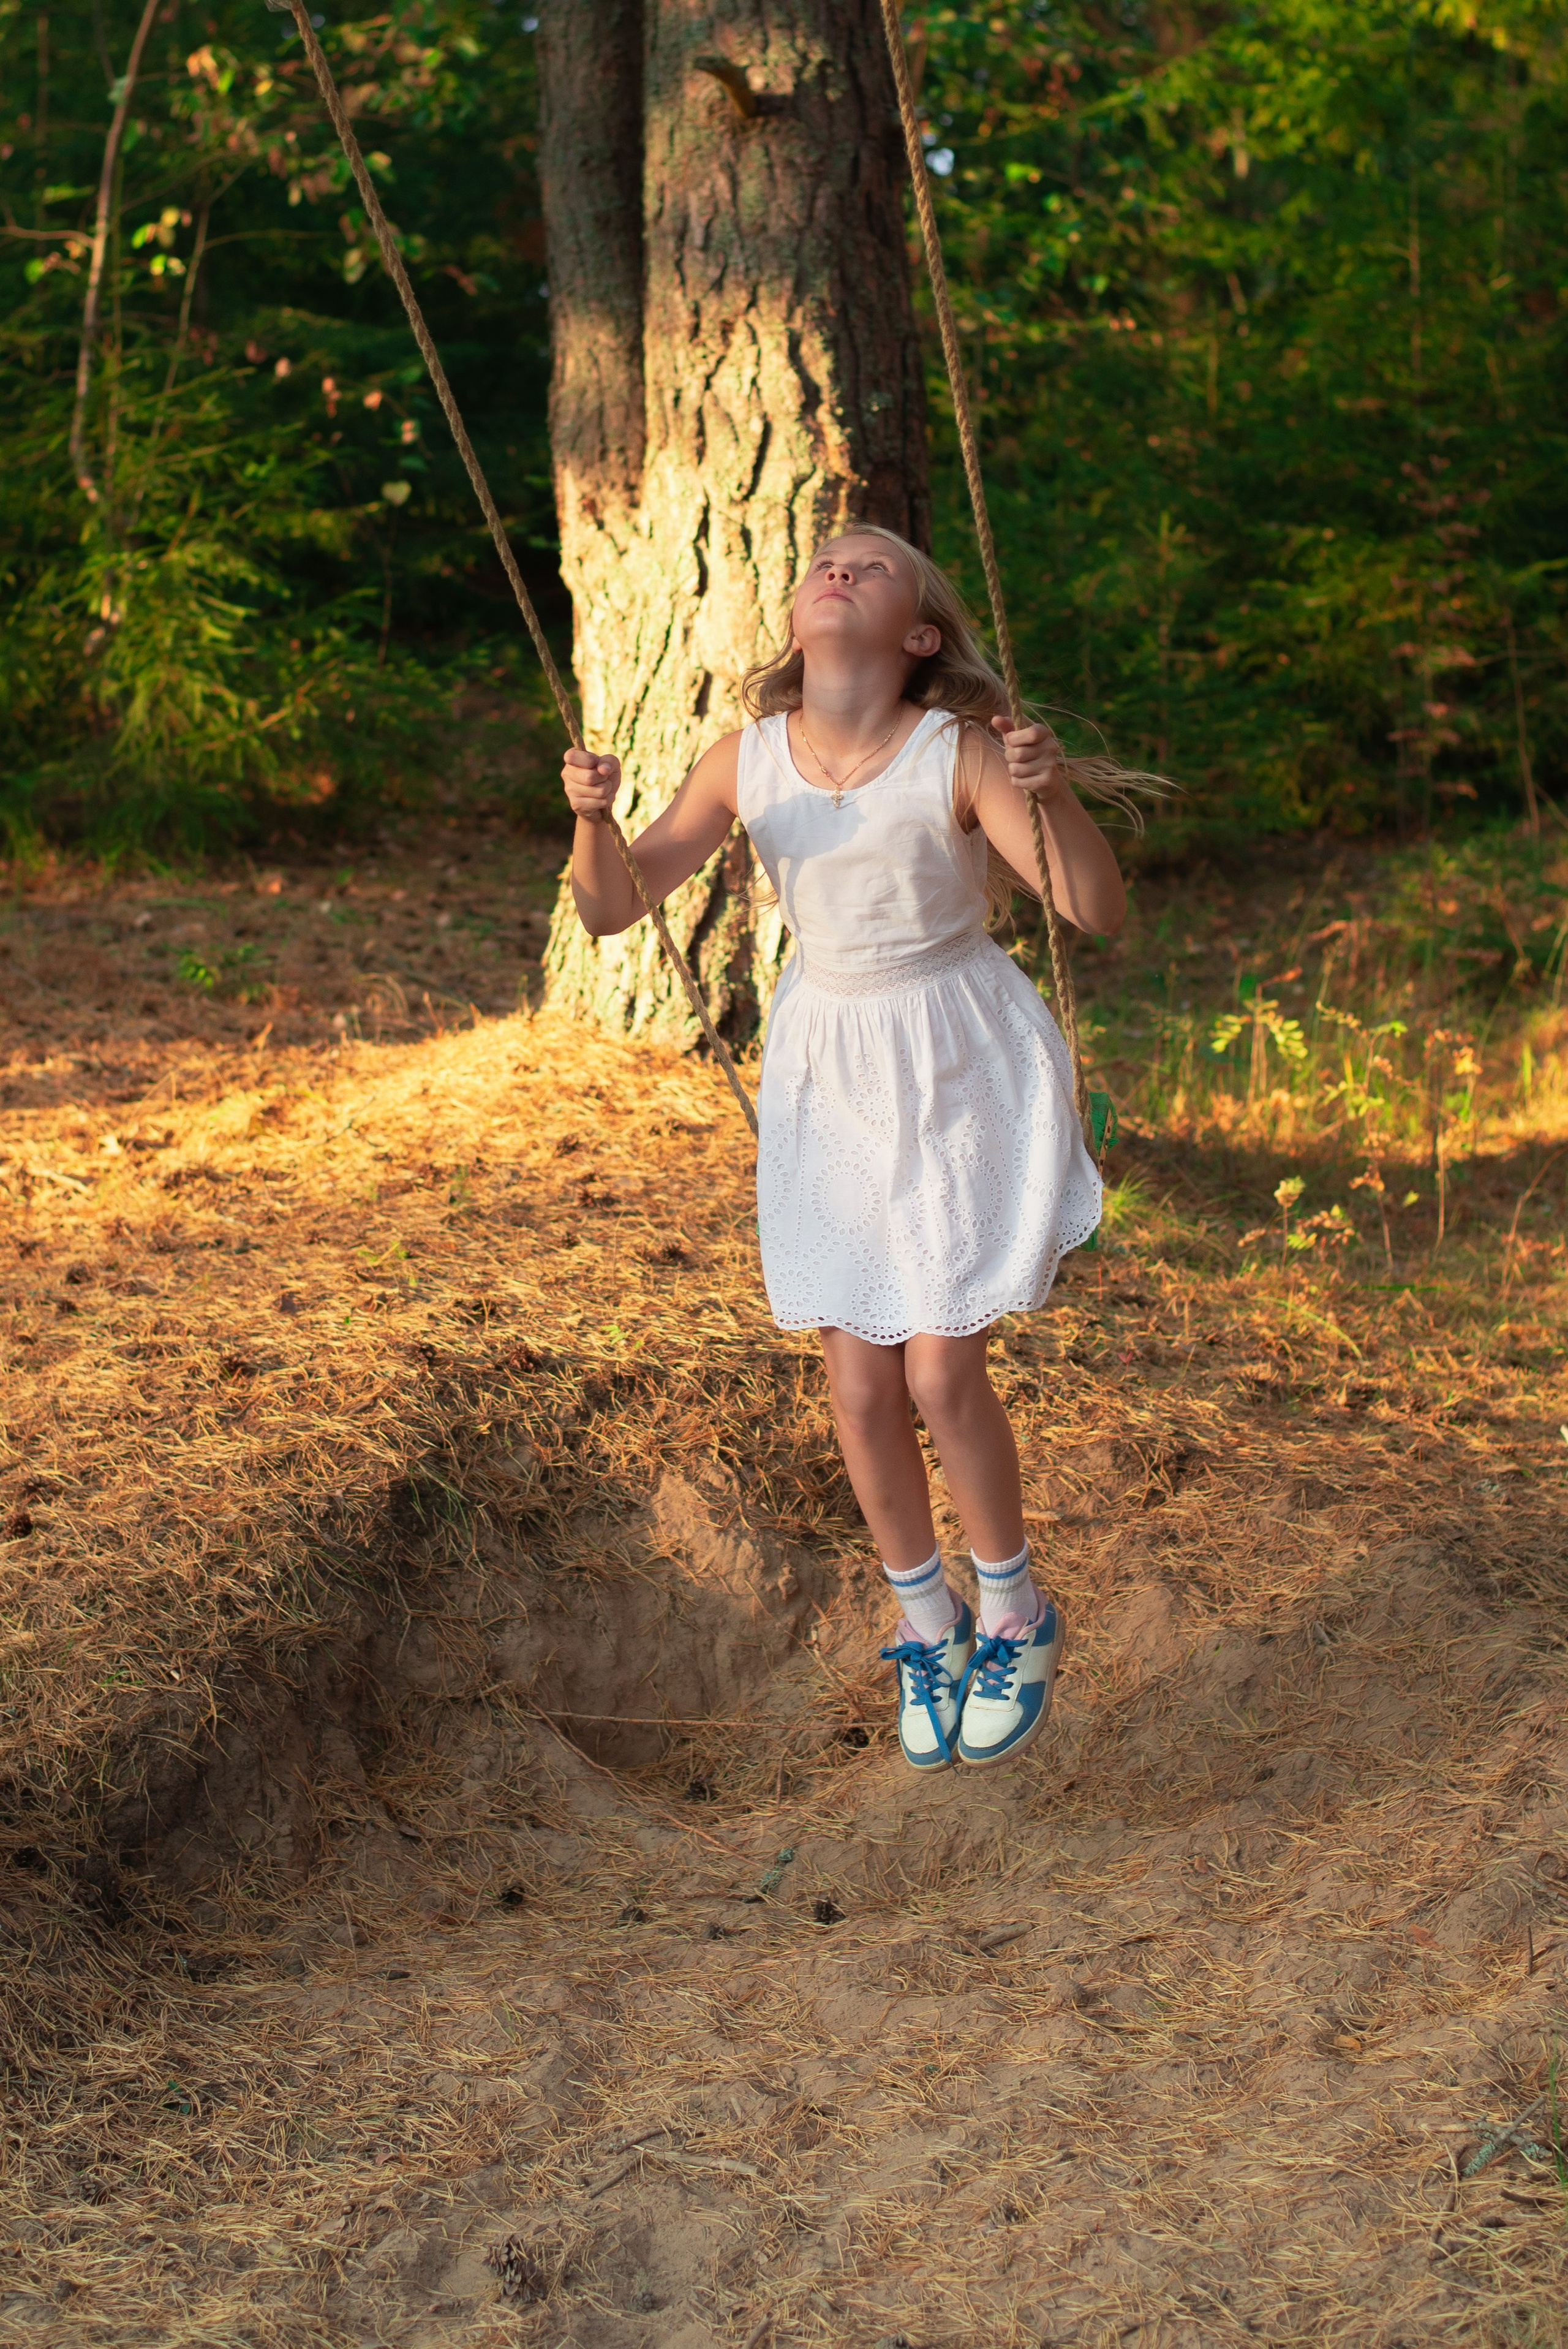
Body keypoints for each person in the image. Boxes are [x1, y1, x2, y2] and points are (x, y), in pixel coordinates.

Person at [562, 527, 1126, 1771]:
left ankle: (1013, 1607)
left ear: (917, 635)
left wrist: (1053, 790)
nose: (840, 568)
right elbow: (611, 906)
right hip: (832, 1066)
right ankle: (924, 1621)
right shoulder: (745, 759)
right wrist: (592, 822)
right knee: (860, 1385)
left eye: (874, 566)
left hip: (958, 1057)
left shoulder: (956, 754)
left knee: (935, 1374)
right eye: (826, 559)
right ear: (799, 615)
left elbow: (1094, 909)